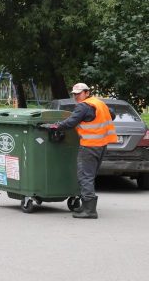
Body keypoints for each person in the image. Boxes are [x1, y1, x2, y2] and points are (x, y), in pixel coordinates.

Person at [42, 82, 116, 219]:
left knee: (85, 176)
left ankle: (90, 211)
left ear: (87, 93)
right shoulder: (99, 103)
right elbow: (113, 115)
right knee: (89, 175)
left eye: (79, 93)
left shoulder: (84, 106)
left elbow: (70, 122)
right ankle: (86, 206)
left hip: (89, 146)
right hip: (101, 145)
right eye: (74, 94)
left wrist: (54, 126)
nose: (76, 96)